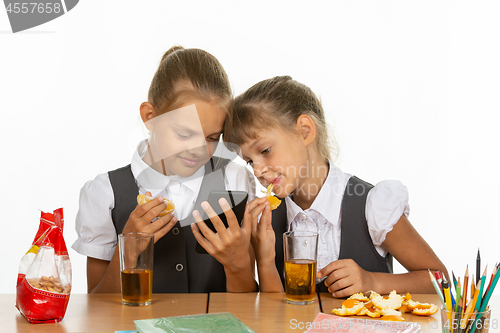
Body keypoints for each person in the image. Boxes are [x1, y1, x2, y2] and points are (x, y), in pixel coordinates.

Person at [224, 75, 448, 297]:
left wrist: (372, 281)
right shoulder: (267, 218)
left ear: (305, 131)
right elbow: (272, 315)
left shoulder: (371, 206)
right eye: (250, 161)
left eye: (265, 151)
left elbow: (441, 279)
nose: (257, 170)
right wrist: (265, 261)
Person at [72, 46, 264, 293]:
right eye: (185, 134)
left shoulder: (235, 180)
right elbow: (96, 308)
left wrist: (237, 265)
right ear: (150, 116)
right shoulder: (105, 193)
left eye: (212, 137)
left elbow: (250, 306)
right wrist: (127, 250)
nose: (198, 150)